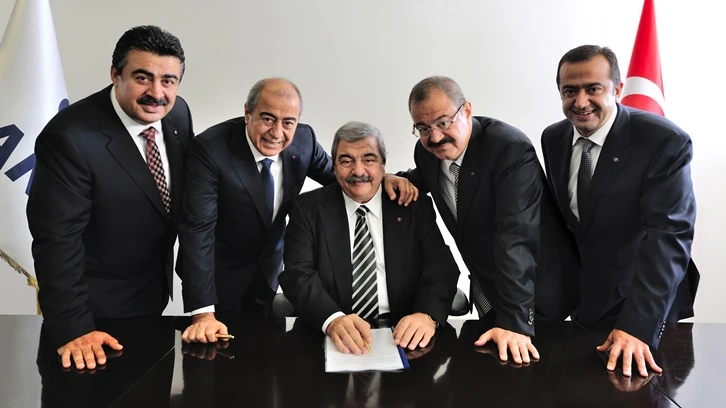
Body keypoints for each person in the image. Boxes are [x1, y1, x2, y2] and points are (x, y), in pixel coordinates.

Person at [178, 80, 417, 343]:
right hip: (218, 276)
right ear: (247, 113)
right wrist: (203, 314)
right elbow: (197, 230)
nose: (276, 132)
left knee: (261, 353)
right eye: (267, 119)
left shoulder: (304, 140)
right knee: (215, 356)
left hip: (267, 272)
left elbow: (343, 177)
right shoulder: (210, 149)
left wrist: (383, 177)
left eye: (288, 122)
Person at [27, 25, 193, 370]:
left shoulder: (178, 114)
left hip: (153, 303)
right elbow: (57, 240)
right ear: (115, 74)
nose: (157, 93)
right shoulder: (69, 138)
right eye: (143, 78)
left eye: (168, 81)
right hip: (92, 320)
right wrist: (74, 327)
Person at [540, 45, 699, 377]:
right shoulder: (553, 138)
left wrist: (638, 326)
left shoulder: (662, 141)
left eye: (593, 88)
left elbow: (669, 238)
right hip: (587, 302)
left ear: (617, 89)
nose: (581, 101)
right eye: (570, 91)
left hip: (645, 303)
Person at [399, 76, 580, 365]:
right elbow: (425, 178)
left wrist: (515, 322)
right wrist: (396, 179)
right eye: (423, 128)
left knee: (541, 378)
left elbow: (516, 238)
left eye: (444, 123)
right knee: (488, 375)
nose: (435, 137)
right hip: (488, 289)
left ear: (467, 111)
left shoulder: (508, 149)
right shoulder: (426, 153)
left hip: (536, 294)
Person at [279, 121, 459, 354]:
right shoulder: (307, 209)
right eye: (346, 161)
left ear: (383, 165)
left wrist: (426, 315)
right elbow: (297, 274)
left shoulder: (413, 206)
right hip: (330, 333)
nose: (358, 171)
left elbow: (441, 267)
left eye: (369, 159)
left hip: (403, 333)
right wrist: (332, 319)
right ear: (334, 166)